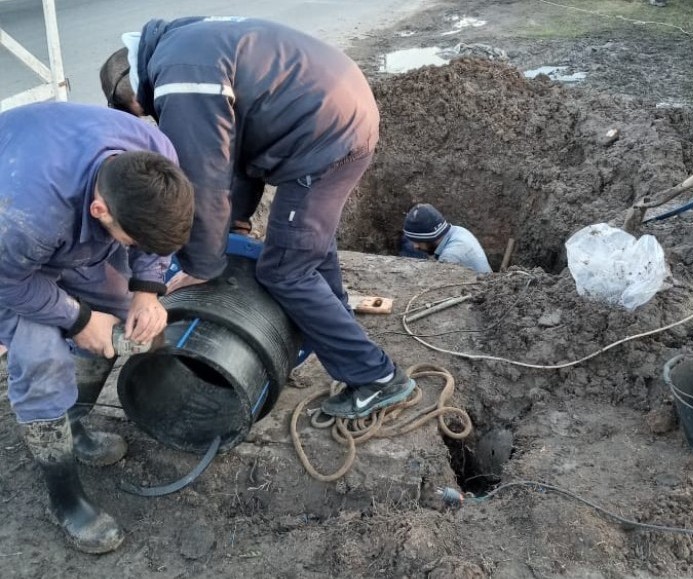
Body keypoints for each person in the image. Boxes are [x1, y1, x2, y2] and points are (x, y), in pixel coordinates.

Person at [100, 17, 416, 419]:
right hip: (339, 114)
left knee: (286, 269)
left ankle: (377, 378)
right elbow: (236, 153)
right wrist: (237, 223)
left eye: (142, 112)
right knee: (306, 247)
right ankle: (337, 335)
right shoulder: (184, 45)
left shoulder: (179, 81)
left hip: (325, 136)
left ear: (133, 96)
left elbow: (203, 178)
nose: (149, 115)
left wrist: (202, 265)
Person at [0, 102, 195, 554]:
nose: (136, 247)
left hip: (64, 231)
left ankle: (74, 424)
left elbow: (153, 235)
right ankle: (64, 499)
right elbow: (8, 280)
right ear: (101, 209)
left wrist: (148, 289)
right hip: (10, 260)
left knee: (123, 317)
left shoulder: (156, 155)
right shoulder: (25, 215)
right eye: (131, 239)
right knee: (42, 360)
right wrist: (79, 319)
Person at [403, 203, 493, 274]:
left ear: (431, 237)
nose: (415, 246)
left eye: (419, 241)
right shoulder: (458, 231)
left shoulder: (450, 257)